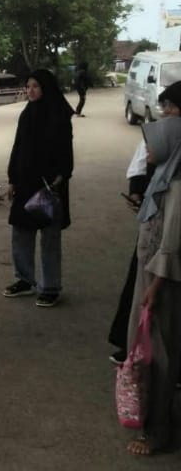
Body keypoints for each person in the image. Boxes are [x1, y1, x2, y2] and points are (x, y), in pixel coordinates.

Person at [107, 82, 181, 364]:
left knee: (160, 305)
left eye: (172, 108)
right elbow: (141, 161)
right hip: (152, 233)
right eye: (165, 107)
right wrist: (139, 193)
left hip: (164, 249)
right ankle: (134, 347)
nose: (165, 114)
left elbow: (172, 242)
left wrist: (159, 279)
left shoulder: (176, 184)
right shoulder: (163, 144)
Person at [123, 106, 181, 456]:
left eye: (152, 143)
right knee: (148, 350)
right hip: (150, 279)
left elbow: (172, 244)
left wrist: (154, 289)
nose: (147, 150)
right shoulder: (164, 176)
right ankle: (151, 420)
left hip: (160, 284)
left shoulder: (177, 186)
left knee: (158, 353)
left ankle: (157, 430)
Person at [3, 69, 74, 307]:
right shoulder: (27, 114)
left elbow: (66, 151)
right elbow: (18, 146)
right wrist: (12, 178)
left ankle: (50, 287)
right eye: (28, 86)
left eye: (35, 86)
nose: (30, 91)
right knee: (21, 232)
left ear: (46, 88)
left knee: (49, 237)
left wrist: (61, 177)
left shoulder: (59, 115)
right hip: (25, 182)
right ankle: (24, 279)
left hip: (49, 185)